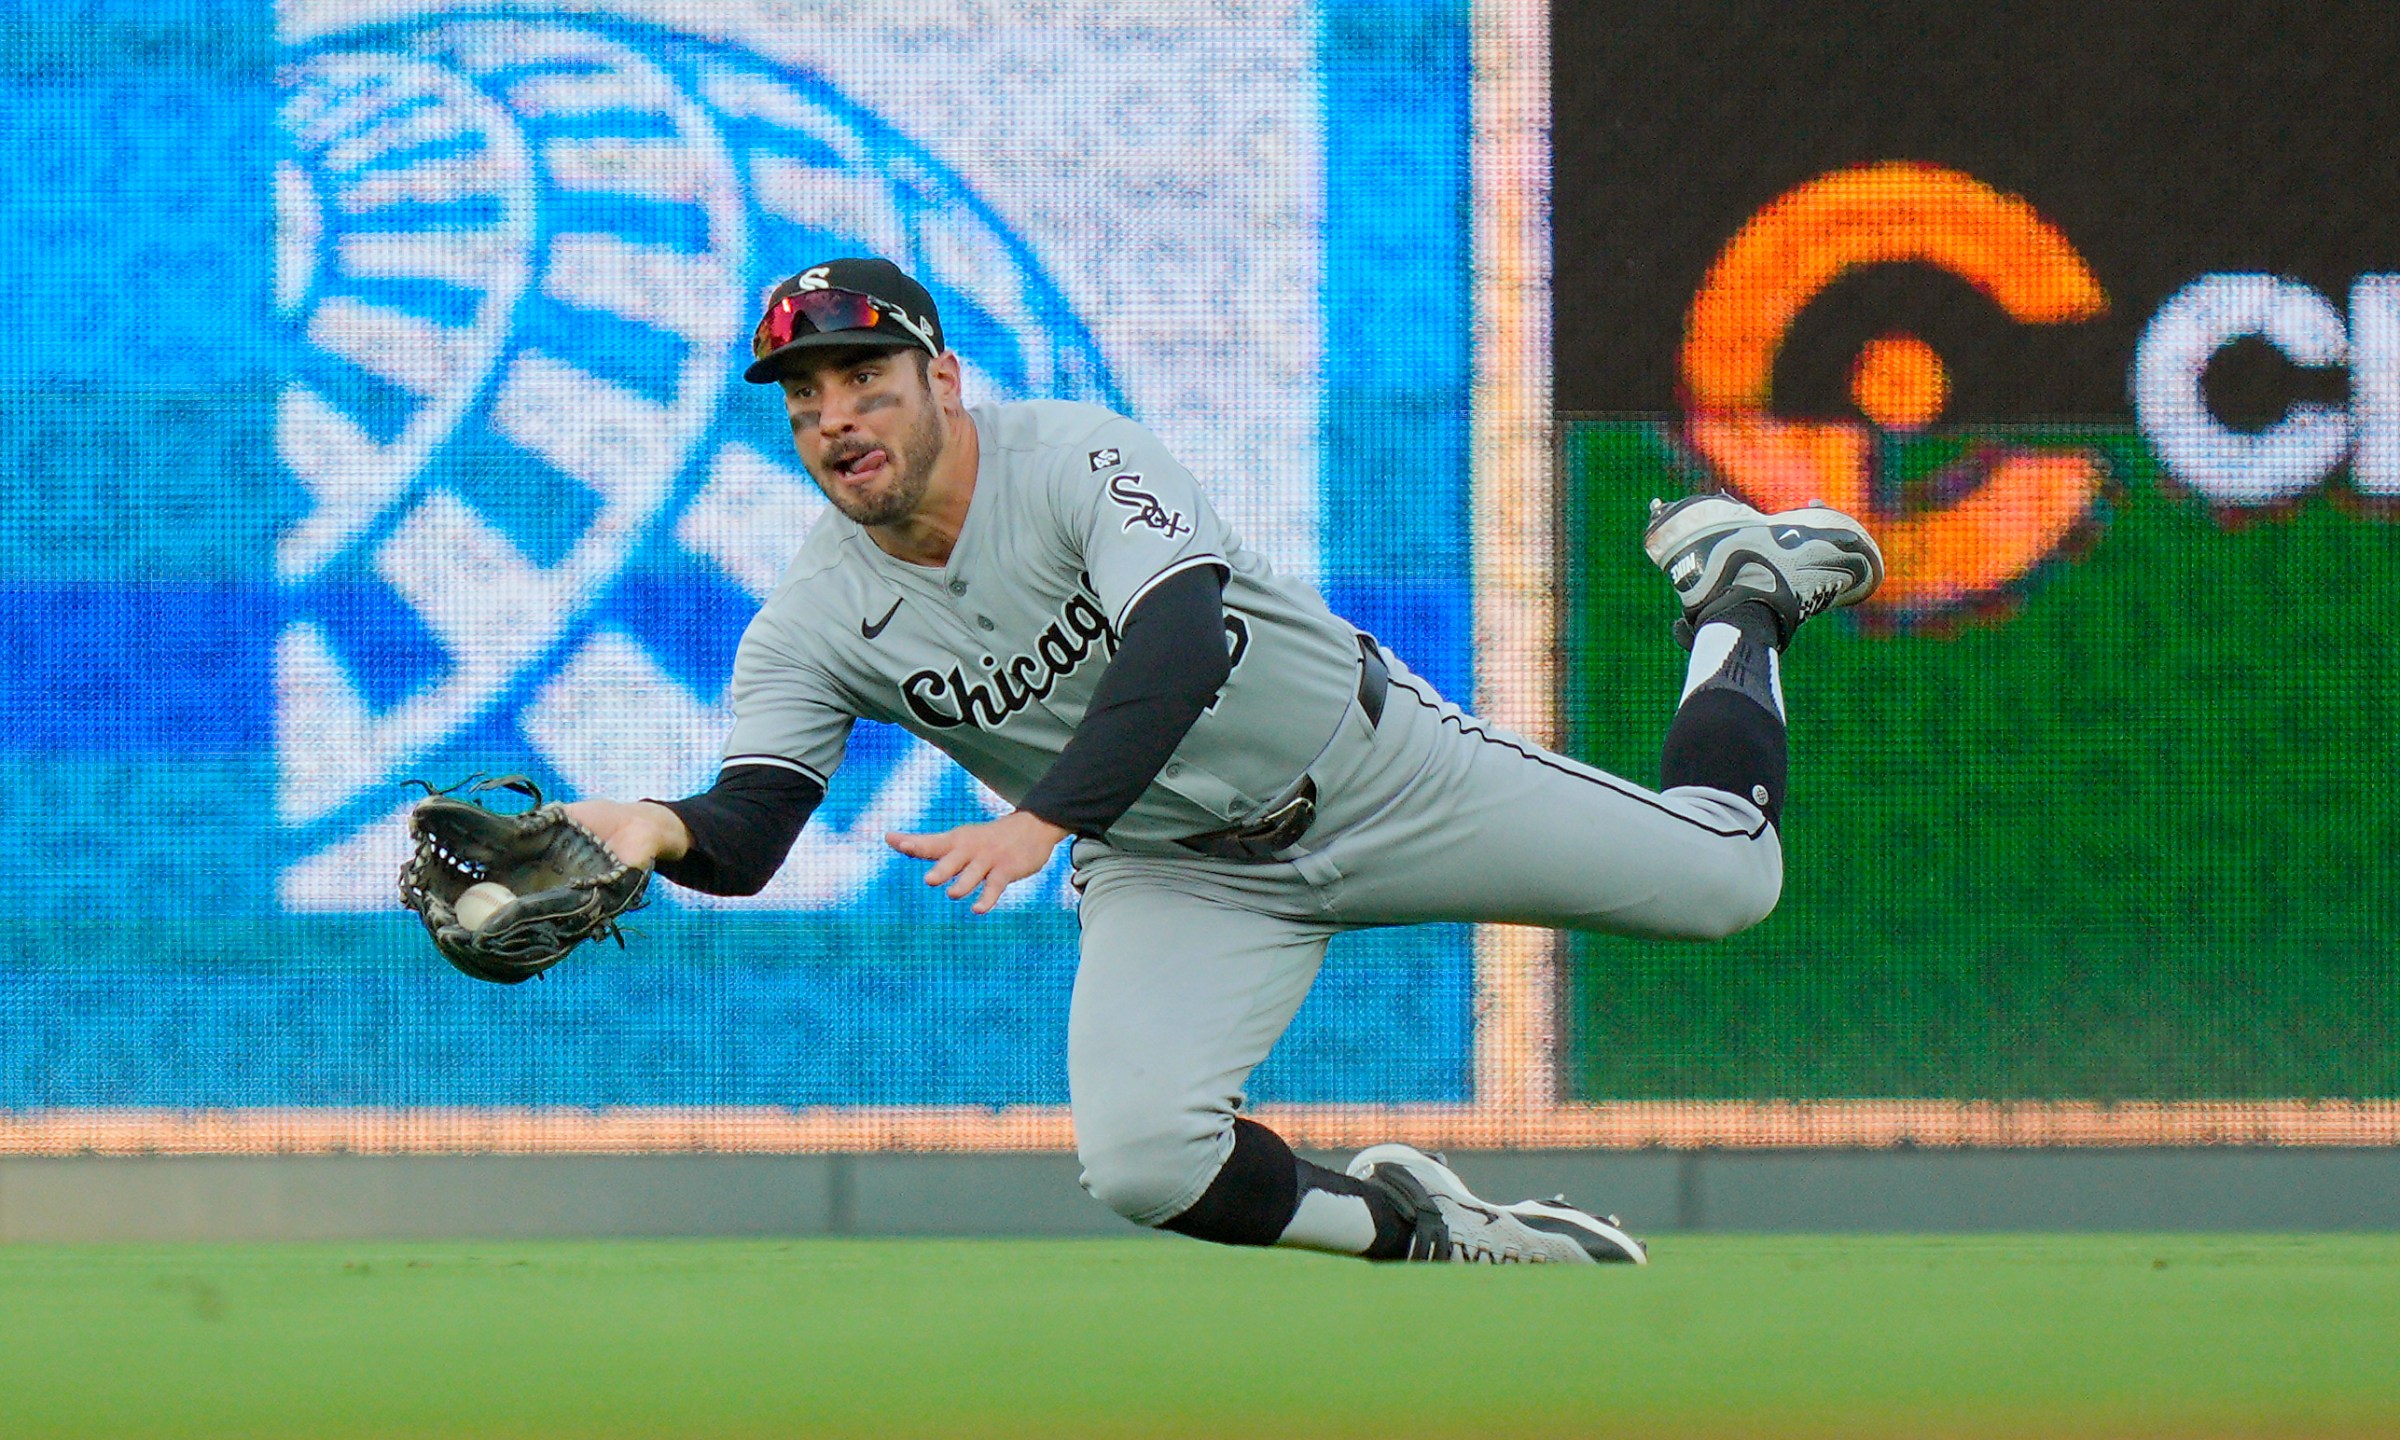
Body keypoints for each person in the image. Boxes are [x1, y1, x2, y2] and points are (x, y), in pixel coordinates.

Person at [566, 256, 1883, 1264]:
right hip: (1182, 876)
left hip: (1377, 775)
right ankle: (1417, 1229)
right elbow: (754, 825)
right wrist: (658, 829)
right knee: (1143, 1163)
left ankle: (1738, 596)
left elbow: (1182, 643)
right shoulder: (812, 617)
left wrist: (1041, 820)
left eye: (866, 379)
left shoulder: (1076, 454)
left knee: (1732, 880)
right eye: (805, 399)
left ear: (943, 378)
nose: (836, 416)